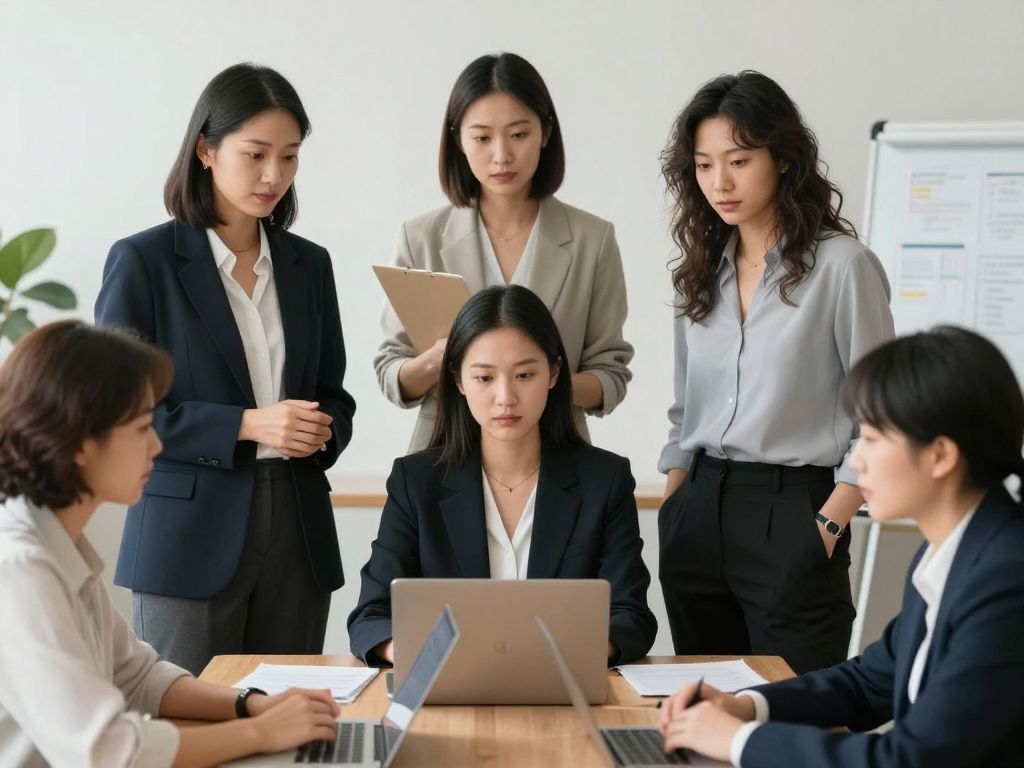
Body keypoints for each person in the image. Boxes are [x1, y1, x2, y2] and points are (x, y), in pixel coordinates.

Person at [658, 326, 1024, 767]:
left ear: (940, 455)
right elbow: (871, 682)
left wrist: (739, 742)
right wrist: (748, 705)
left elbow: (910, 760)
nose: (856, 460)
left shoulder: (1007, 576)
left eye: (872, 438)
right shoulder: (950, 553)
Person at [94, 63, 356, 675]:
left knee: (287, 727)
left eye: (289, 157)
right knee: (183, 726)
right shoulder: (143, 262)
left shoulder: (309, 265)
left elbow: (333, 394)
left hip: (297, 528)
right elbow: (115, 414)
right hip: (186, 535)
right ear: (206, 149)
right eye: (256, 153)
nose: (274, 176)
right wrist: (247, 425)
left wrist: (324, 429)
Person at [0, 321, 342, 767]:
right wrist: (260, 733)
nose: (158, 444)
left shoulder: (59, 544)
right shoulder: (20, 568)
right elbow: (109, 751)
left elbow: (139, 675)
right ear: (80, 441)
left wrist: (251, 704)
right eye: (142, 427)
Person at [657, 70, 895, 674]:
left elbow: (884, 414)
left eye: (738, 160)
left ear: (783, 159)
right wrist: (676, 505)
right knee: (705, 720)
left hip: (795, 509)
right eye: (705, 165)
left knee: (795, 721)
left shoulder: (843, 267)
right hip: (699, 513)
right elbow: (685, 409)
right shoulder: (700, 271)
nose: (720, 182)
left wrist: (827, 523)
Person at [350, 285, 656, 665]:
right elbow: (370, 618)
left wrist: (562, 655)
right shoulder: (416, 482)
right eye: (484, 378)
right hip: (449, 689)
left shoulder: (604, 480)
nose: (506, 397)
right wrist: (418, 654)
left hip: (563, 688)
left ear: (554, 373)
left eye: (525, 374)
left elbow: (632, 618)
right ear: (459, 381)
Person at [375, 52, 633, 452]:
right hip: (445, 458)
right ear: (458, 139)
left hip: (558, 459)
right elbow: (392, 374)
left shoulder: (591, 239)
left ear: (545, 133)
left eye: (518, 134)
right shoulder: (420, 237)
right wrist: (444, 361)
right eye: (482, 137)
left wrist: (541, 380)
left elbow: (610, 378)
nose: (501, 155)